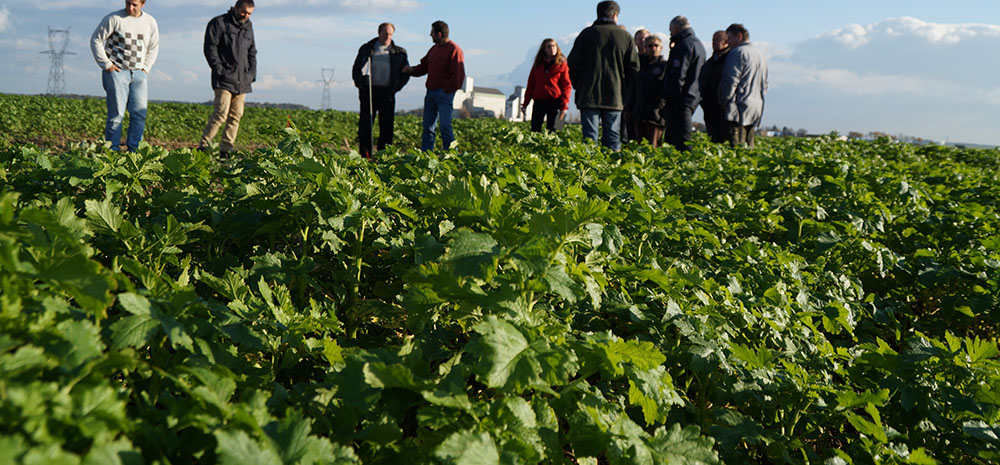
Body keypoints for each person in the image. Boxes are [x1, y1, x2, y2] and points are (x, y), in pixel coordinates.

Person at [567, 1, 639, 151]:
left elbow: (573, 63)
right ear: (615, 15)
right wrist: (623, 87)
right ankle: (612, 171)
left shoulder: (586, 35)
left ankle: (588, 172)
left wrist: (579, 84)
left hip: (588, 94)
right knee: (613, 137)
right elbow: (634, 67)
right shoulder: (625, 36)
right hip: (615, 96)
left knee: (589, 139)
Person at [90, 0, 159, 152]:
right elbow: (96, 40)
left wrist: (146, 68)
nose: (130, 7)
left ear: (143, 4)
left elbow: (153, 47)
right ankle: (112, 151)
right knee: (116, 115)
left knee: (139, 114)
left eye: (134, 4)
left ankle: (134, 151)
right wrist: (107, 65)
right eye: (128, 3)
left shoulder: (150, 22)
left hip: (139, 74)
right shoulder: (114, 19)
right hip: (117, 72)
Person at [199, 0, 256, 157]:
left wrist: (251, 74)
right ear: (236, 8)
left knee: (236, 115)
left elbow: (252, 52)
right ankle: (204, 147)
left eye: (249, 13)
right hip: (223, 79)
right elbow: (210, 48)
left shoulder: (248, 26)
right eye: (244, 12)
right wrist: (219, 70)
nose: (246, 16)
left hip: (242, 80)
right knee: (220, 113)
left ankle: (226, 150)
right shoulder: (218, 23)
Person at [403, 20, 465, 152]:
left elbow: (458, 76)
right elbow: (424, 67)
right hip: (431, 93)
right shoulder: (434, 50)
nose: (430, 35)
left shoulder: (454, 50)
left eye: (432, 33)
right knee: (428, 127)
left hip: (444, 94)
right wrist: (411, 70)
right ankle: (426, 154)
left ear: (439, 34)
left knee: (445, 126)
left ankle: (452, 155)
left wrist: (447, 90)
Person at [352, 22, 410, 159]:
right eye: (385, 33)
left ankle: (383, 156)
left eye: (390, 34)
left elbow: (406, 72)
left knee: (387, 126)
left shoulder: (399, 52)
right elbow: (356, 68)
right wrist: (360, 84)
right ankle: (365, 155)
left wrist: (396, 88)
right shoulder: (367, 49)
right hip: (369, 92)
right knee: (366, 125)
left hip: (388, 93)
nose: (387, 36)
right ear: (379, 33)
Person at [719, 23, 768, 147]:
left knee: (737, 151)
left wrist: (724, 101)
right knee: (749, 149)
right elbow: (765, 83)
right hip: (755, 108)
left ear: (739, 36)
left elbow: (730, 80)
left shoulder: (737, 53)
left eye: (729, 38)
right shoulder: (760, 55)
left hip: (738, 109)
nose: (727, 42)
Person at [661, 15, 705, 151]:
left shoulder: (684, 45)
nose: (670, 34)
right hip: (692, 96)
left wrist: (669, 97)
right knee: (676, 139)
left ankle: (685, 169)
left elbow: (677, 75)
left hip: (681, 100)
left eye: (670, 31)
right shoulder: (698, 44)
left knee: (681, 141)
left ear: (676, 28)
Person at [520, 38, 571, 132]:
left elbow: (566, 86)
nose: (552, 48)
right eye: (549, 46)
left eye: (554, 46)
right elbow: (531, 84)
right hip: (539, 100)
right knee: (535, 128)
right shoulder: (537, 64)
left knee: (554, 130)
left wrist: (564, 105)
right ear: (544, 49)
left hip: (555, 101)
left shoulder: (562, 64)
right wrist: (525, 103)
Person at [633, 35, 668, 148]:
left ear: (661, 48)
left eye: (656, 45)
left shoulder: (664, 66)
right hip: (640, 113)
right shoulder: (641, 66)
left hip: (655, 115)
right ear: (646, 48)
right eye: (650, 46)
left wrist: (658, 108)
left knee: (654, 147)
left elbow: (666, 90)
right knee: (641, 146)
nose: (653, 48)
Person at [699, 30, 730, 143]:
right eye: (713, 40)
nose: (713, 43)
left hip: (722, 108)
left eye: (717, 40)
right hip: (709, 108)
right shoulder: (710, 62)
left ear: (726, 41)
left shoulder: (729, 60)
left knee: (724, 139)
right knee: (713, 139)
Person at [622, 28, 650, 143]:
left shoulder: (653, 60)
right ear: (635, 41)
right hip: (631, 99)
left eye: (645, 38)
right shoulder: (631, 58)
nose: (642, 41)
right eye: (639, 38)